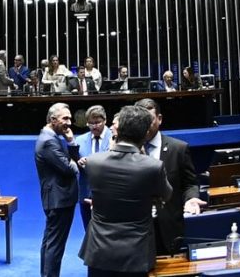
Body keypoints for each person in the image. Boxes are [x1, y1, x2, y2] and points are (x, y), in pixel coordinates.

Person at [79, 105, 172, 277]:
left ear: (118, 130)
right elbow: (166, 194)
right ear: (145, 134)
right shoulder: (153, 166)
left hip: (100, 249)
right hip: (136, 252)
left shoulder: (93, 162)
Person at [134, 98, 204, 254]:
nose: (144, 125)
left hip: (167, 225)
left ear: (159, 119)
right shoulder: (127, 150)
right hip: (137, 228)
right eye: (140, 120)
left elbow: (189, 183)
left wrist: (191, 198)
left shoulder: (178, 148)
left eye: (149, 120)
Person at [34, 102, 81, 277]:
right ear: (53, 119)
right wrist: (74, 162)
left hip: (57, 198)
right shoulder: (48, 142)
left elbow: (69, 161)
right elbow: (70, 169)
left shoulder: (52, 138)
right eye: (65, 118)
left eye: (70, 118)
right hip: (59, 199)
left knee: (49, 242)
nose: (69, 122)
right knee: (55, 245)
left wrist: (70, 142)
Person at [74, 105, 113, 229]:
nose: (94, 126)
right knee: (89, 231)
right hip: (86, 192)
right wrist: (78, 162)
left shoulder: (114, 137)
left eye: (97, 122)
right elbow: (73, 162)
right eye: (90, 123)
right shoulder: (79, 140)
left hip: (108, 193)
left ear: (105, 120)